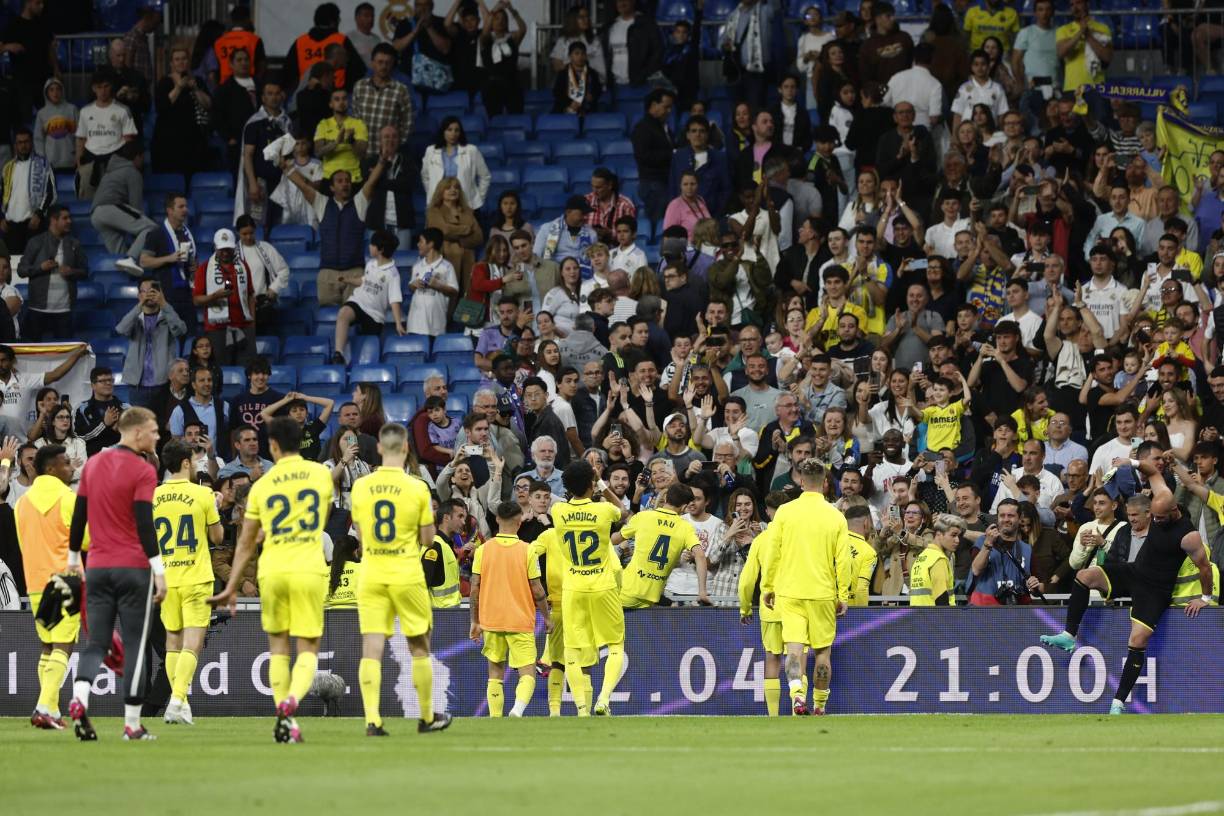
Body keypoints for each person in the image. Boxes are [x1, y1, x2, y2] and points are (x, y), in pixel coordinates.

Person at [1040, 449, 1213, 714]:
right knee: (1085, 576)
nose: (1155, 521)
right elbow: (1151, 470)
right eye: (1153, 516)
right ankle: (1069, 635)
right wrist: (1128, 463)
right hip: (1135, 572)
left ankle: (1118, 702)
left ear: (1174, 511)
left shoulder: (1188, 536)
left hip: (1156, 590)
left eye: (1160, 518)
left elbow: (1204, 568)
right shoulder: (1162, 496)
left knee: (1138, 639)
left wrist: (1205, 598)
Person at [207, 417, 334, 742]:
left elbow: (246, 543)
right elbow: (323, 516)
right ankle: (290, 704)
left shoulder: (262, 486)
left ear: (273, 446)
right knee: (308, 647)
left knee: (278, 647)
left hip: (273, 571)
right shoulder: (320, 474)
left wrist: (231, 586)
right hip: (308, 568)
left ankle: (285, 719)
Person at [340, 422, 452, 734]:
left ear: (379, 448)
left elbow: (360, 533)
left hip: (372, 573)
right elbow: (428, 540)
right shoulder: (417, 487)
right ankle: (427, 717)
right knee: (419, 646)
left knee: (372, 647)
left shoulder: (361, 486)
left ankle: (372, 720)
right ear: (405, 448)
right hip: (406, 573)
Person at [66, 408, 163, 741]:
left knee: (96, 643)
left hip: (97, 566)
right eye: (153, 430)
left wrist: (73, 558)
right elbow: (145, 524)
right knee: (135, 645)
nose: (157, 436)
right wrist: (159, 570)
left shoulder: (92, 464)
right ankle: (132, 725)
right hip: (133, 568)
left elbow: (79, 516)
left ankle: (80, 699)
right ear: (136, 432)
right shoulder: (143, 470)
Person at [761, 459, 850, 716]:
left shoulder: (785, 512)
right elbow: (843, 560)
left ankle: (797, 695)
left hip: (790, 592)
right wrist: (843, 594)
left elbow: (773, 553)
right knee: (822, 653)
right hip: (822, 593)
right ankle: (820, 705)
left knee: (794, 649)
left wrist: (768, 586)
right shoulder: (835, 516)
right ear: (825, 482)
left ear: (801, 481)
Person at [154, 440, 223, 725]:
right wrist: (216, 508)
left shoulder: (153, 496)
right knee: (192, 644)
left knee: (172, 642)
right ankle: (177, 699)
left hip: (167, 578)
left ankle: (180, 704)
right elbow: (217, 538)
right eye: (194, 461)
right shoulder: (203, 494)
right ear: (185, 462)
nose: (196, 465)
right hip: (196, 577)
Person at [550, 459, 627, 716]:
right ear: (591, 484)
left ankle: (582, 710)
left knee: (572, 650)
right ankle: (603, 699)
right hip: (603, 586)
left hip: (573, 588)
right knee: (615, 645)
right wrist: (601, 483)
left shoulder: (558, 511)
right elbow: (623, 510)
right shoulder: (603, 510)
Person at [14, 444, 78, 729]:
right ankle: (43, 707)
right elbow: (87, 539)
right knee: (64, 644)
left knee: (48, 646)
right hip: (65, 579)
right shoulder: (68, 498)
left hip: (36, 581)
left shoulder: (22, 503)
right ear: (51, 469)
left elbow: (23, 542)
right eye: (66, 463)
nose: (71, 467)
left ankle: (51, 709)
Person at [470, 500, 549, 718]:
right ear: (519, 520)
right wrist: (547, 617)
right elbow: (537, 590)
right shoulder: (527, 550)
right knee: (527, 672)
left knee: (495, 672)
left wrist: (474, 621)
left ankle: (496, 718)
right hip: (520, 620)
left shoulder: (483, 550)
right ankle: (517, 711)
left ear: (497, 519)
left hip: (491, 620)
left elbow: (474, 588)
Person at [278, 151, 386, 306]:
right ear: (332, 187)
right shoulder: (322, 203)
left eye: (347, 181)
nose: (345, 184)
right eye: (340, 181)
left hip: (355, 272)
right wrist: (286, 168)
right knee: (327, 318)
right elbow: (303, 185)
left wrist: (382, 161)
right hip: (327, 274)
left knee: (353, 316)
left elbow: (371, 182)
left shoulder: (359, 202)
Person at [614, 483, 707, 609]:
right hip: (651, 597)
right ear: (684, 506)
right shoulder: (686, 527)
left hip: (624, 591)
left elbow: (615, 540)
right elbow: (700, 556)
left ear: (666, 497)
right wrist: (702, 592)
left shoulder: (643, 516)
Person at [16, 205, 87, 341]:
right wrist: (40, 268)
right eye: (65, 218)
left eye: (69, 218)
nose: (69, 221)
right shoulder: (36, 242)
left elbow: (85, 271)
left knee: (63, 349)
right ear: (53, 220)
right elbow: (21, 270)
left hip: (64, 311)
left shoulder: (75, 244)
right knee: (34, 349)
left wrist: (71, 272)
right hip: (37, 309)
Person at [332, 229, 403, 364]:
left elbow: (394, 300)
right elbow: (364, 281)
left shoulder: (393, 274)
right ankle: (338, 354)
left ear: (381, 249)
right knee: (343, 313)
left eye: (372, 244)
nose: (369, 246)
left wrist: (398, 323)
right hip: (359, 302)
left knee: (368, 345)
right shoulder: (370, 264)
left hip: (375, 315)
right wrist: (347, 280)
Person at [117, 279, 187, 409]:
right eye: (145, 291)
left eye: (153, 291)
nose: (149, 295)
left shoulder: (168, 316)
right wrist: (139, 306)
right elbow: (121, 329)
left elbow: (181, 331)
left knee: (164, 421)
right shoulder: (135, 318)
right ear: (139, 295)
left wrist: (164, 304)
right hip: (137, 387)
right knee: (139, 421)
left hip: (163, 384)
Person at [192, 228, 257, 366]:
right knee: (220, 370)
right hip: (217, 329)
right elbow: (196, 300)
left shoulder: (243, 266)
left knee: (248, 369)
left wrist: (252, 323)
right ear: (215, 247)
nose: (225, 252)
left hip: (244, 326)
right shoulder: (204, 269)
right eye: (222, 249)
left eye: (228, 249)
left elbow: (251, 295)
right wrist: (215, 296)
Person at [1, 127, 55, 255]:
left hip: (33, 223)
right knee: (13, 262)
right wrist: (1, 218)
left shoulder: (43, 164)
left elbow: (51, 193)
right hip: (11, 225)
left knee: (35, 261)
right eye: (20, 142)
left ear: (31, 143)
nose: (23, 145)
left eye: (26, 142)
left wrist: (39, 214)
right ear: (15, 145)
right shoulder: (7, 168)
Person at [420, 116, 491, 211]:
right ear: (443, 131)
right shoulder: (431, 151)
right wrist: (433, 194)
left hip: (466, 205)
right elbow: (425, 176)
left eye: (456, 130)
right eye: (449, 130)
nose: (453, 134)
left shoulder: (471, 150)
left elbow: (485, 176)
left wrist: (477, 199)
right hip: (439, 205)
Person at [630, 88, 676, 228]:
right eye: (666, 107)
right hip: (653, 185)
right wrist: (672, 154)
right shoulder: (643, 128)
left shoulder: (663, 127)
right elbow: (643, 156)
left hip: (664, 183)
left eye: (670, 107)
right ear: (654, 105)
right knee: (659, 224)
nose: (669, 111)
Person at [405, 227, 459, 339]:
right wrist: (414, 284)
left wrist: (438, 285)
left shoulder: (447, 266)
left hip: (436, 325)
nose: (418, 244)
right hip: (415, 324)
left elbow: (454, 292)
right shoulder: (417, 265)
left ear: (430, 244)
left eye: (421, 241)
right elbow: (411, 287)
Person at [909, 513, 962, 606]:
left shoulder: (922, 557)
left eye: (958, 536)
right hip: (934, 615)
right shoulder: (938, 559)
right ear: (939, 534)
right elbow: (941, 600)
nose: (957, 540)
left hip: (918, 614)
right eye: (953, 535)